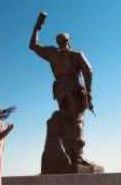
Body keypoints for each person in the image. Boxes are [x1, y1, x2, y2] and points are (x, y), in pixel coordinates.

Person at [29, 12, 93, 172]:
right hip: (73, 87)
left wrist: (37, 27)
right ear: (68, 42)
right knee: (77, 120)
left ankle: (68, 155)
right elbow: (89, 71)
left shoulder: (52, 53)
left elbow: (33, 45)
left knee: (65, 118)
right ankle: (76, 156)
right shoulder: (76, 54)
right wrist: (89, 91)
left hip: (60, 89)